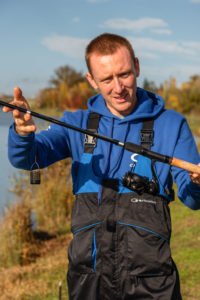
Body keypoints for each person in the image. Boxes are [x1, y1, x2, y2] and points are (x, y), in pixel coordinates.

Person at [3, 33, 200, 300]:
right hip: (88, 278)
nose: (118, 87)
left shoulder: (172, 124)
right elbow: (28, 159)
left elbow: (191, 197)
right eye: (106, 79)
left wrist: (197, 182)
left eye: (125, 74)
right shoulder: (76, 122)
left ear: (138, 67)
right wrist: (23, 133)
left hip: (153, 283)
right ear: (91, 80)